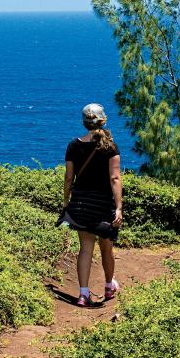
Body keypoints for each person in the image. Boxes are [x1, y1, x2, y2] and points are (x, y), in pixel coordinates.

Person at [62, 103, 123, 307]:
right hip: (103, 204)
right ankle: (108, 286)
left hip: (81, 203)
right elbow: (115, 178)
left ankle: (83, 294)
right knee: (107, 247)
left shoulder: (73, 145)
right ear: (103, 120)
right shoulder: (110, 147)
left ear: (84, 122)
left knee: (85, 248)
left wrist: (66, 201)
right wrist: (119, 207)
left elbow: (69, 178)